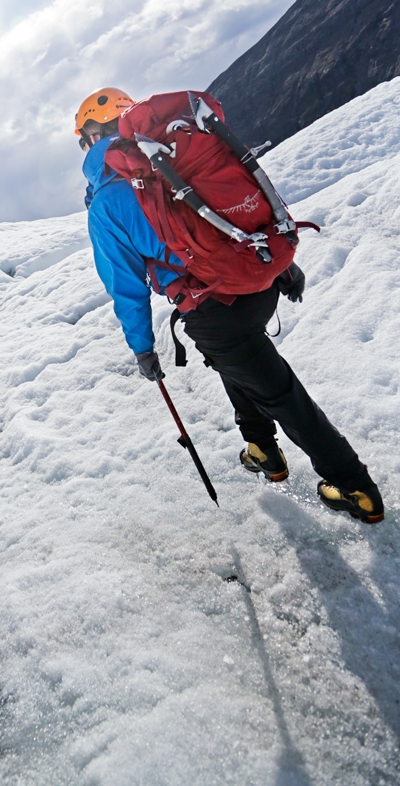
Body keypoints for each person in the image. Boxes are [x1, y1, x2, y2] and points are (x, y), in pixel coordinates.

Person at [75, 86, 385, 524]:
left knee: (279, 393)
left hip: (213, 308)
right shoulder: (170, 154)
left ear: (89, 140)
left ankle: (356, 488)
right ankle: (262, 448)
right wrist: (281, 266)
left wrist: (143, 348)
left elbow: (127, 287)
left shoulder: (106, 202)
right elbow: (237, 212)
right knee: (236, 364)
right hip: (257, 284)